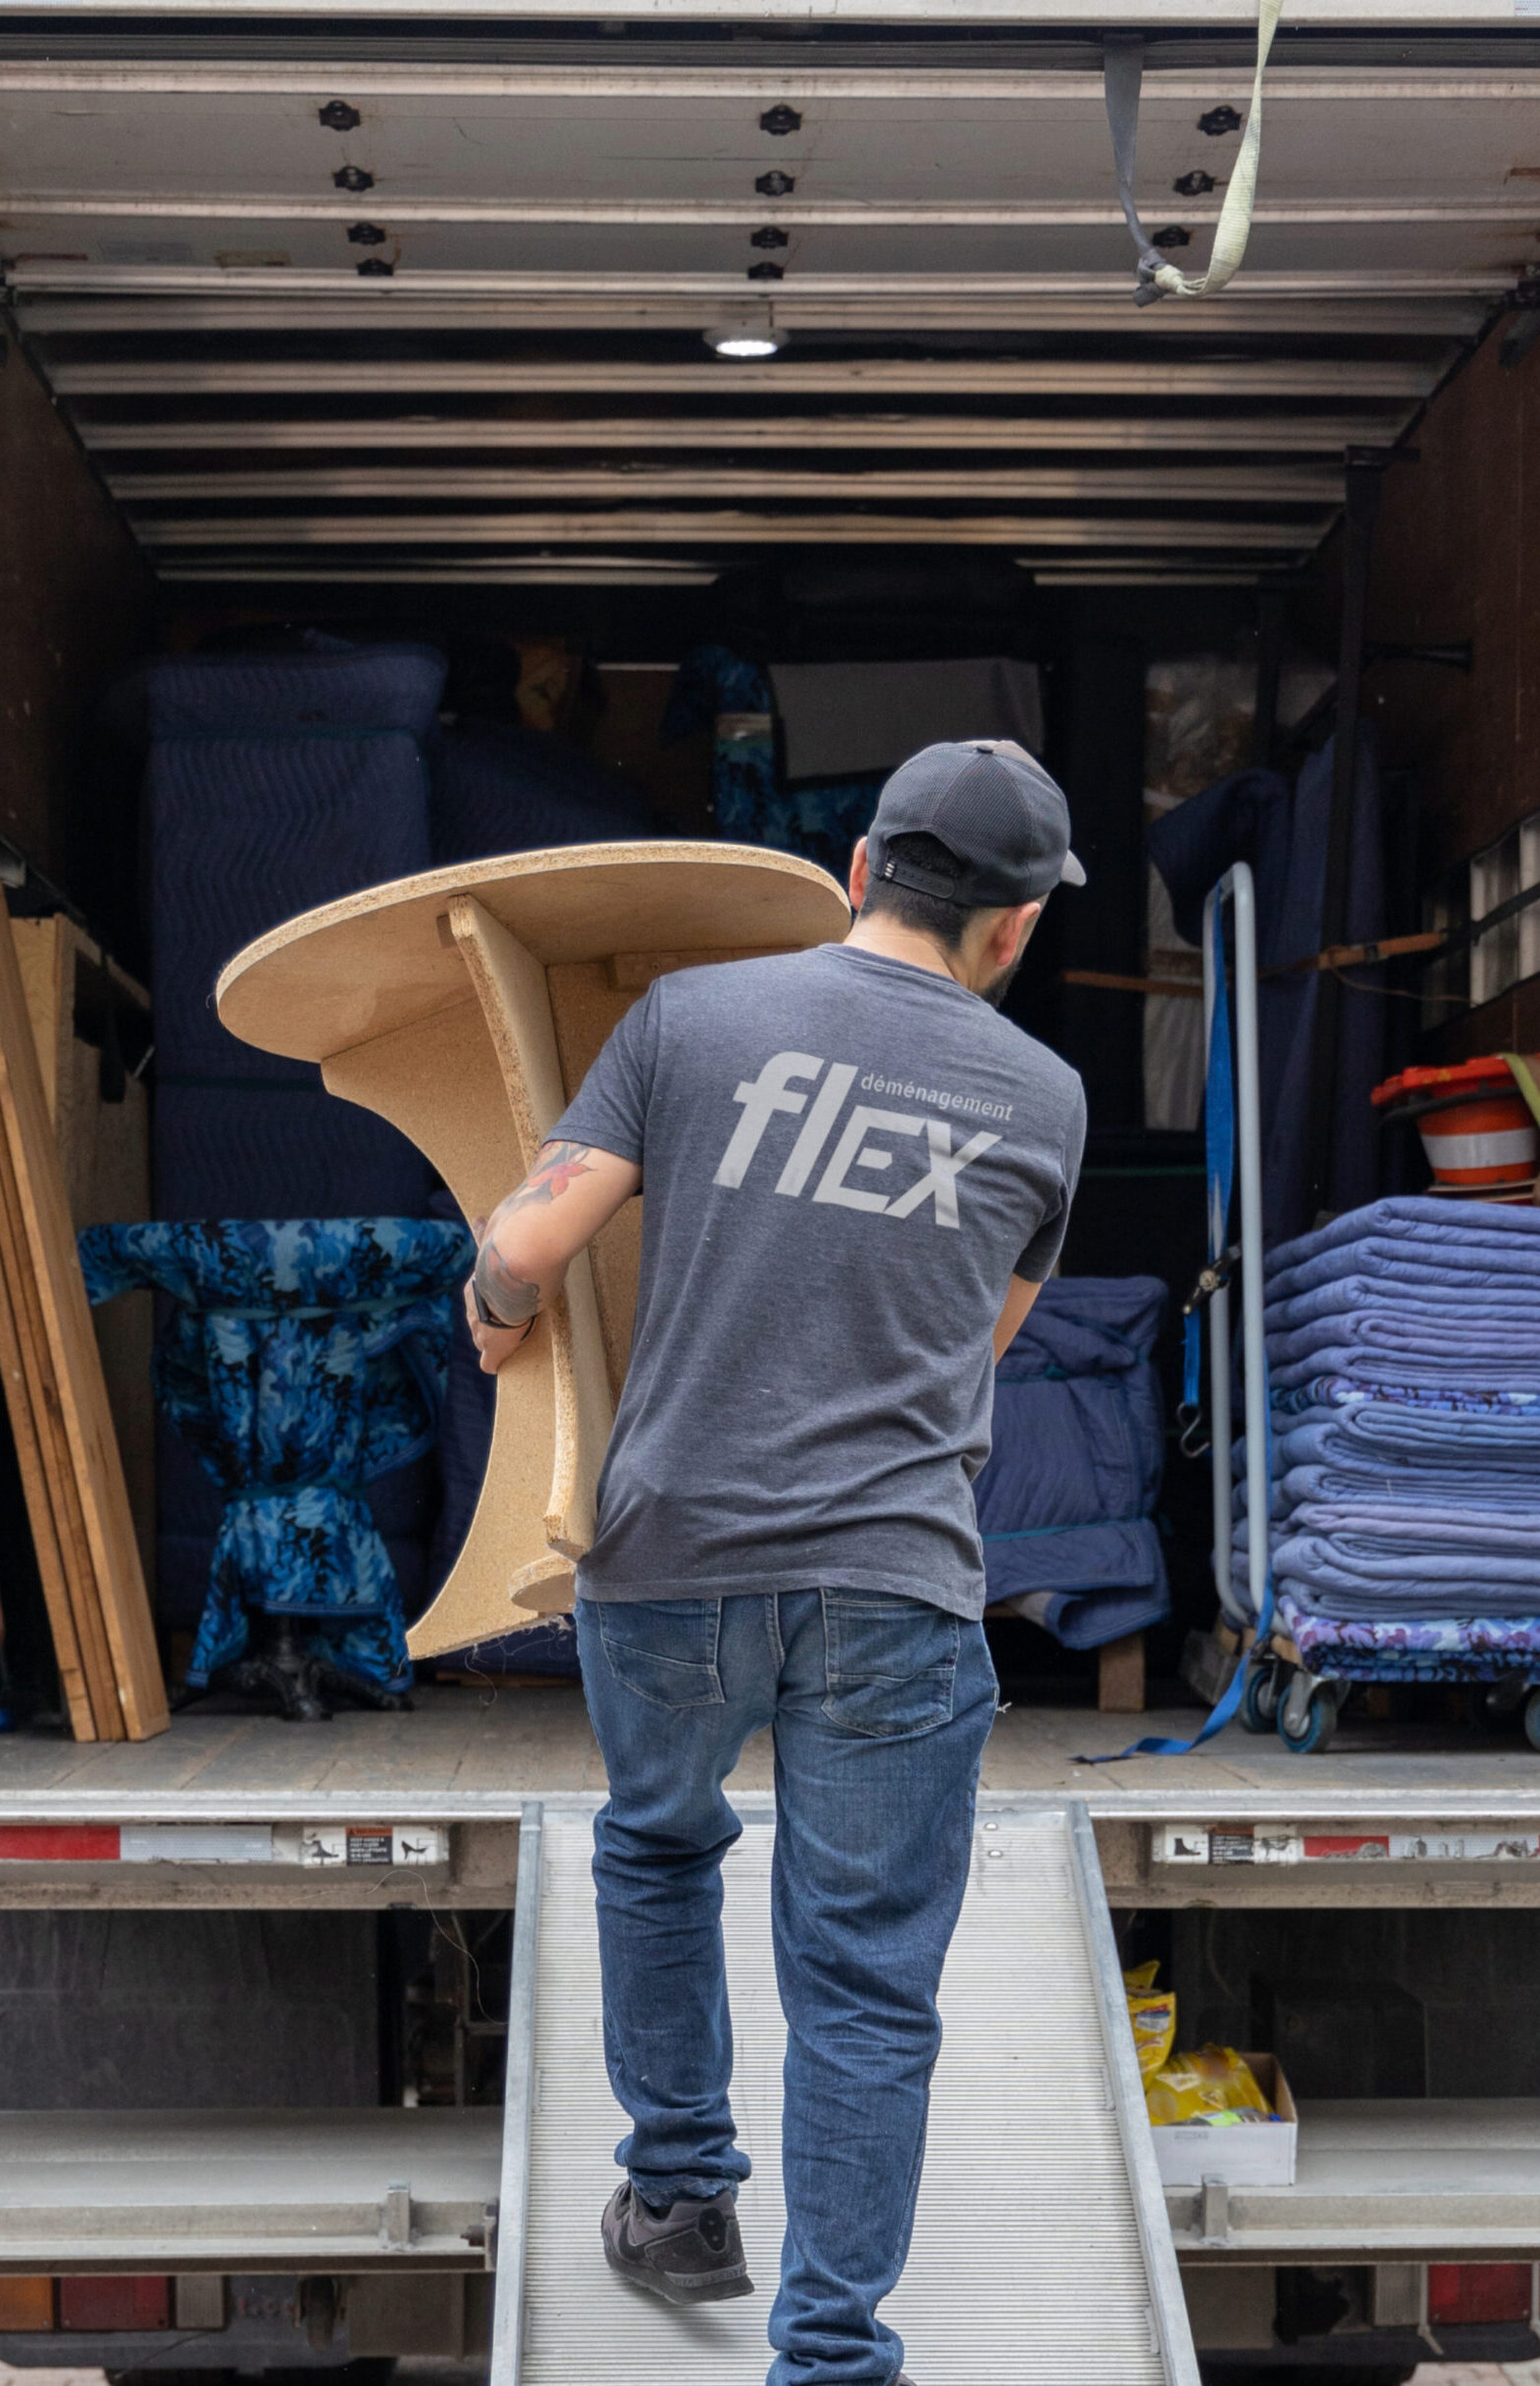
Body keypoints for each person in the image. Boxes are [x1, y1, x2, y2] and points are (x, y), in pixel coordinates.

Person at [464, 741, 1090, 2386]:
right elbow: (986, 1344)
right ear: (1013, 925)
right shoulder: (1044, 1098)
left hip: (670, 1552)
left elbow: (525, 1243)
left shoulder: (691, 1019)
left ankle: (679, 2200)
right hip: (892, 1578)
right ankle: (827, 2351)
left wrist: (498, 1317)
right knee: (866, 1983)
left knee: (661, 1852)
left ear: (864, 864)